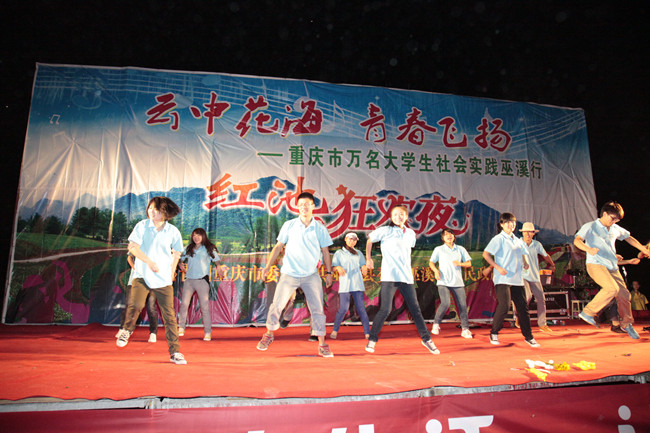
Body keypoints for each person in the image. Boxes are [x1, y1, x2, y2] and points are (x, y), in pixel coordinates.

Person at [256, 192, 334, 358]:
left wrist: (328, 272)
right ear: (297, 207)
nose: (304, 207)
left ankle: (322, 344)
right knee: (277, 305)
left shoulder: (319, 228)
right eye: (301, 204)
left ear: (313, 206)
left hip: (311, 275)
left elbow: (325, 251)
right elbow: (278, 247)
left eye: (307, 204)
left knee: (317, 309)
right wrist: (267, 266)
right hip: (289, 273)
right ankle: (269, 334)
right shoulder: (289, 225)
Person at [117, 196, 187, 365]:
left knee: (169, 316)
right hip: (142, 274)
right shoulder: (142, 226)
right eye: (150, 208)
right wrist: (148, 262)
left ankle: (175, 352)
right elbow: (133, 247)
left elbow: (177, 253)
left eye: (156, 210)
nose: (152, 212)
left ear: (165, 213)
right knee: (136, 304)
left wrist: (171, 271)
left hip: (163, 279)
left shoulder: (173, 231)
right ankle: (127, 329)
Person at [364, 204, 439, 354]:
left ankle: (426, 339)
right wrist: (368, 258)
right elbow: (369, 240)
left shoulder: (410, 233)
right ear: (391, 217)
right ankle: (372, 340)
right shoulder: (386, 230)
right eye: (395, 214)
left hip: (406, 277)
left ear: (406, 216)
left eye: (401, 214)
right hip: (389, 276)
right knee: (385, 309)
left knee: (415, 309)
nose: (398, 217)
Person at [574, 201, 650, 339]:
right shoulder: (590, 226)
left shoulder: (614, 228)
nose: (614, 222)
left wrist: (643, 249)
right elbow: (577, 240)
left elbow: (628, 238)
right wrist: (588, 249)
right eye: (612, 218)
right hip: (596, 264)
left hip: (612, 267)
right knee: (611, 289)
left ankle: (626, 324)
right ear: (604, 214)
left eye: (617, 220)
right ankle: (588, 312)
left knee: (624, 295)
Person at [482, 212, 540, 347]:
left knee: (523, 308)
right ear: (502, 224)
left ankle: (529, 337)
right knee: (504, 305)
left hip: (517, 279)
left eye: (513, 222)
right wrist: (497, 267)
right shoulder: (499, 239)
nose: (511, 225)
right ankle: (494, 333)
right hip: (502, 279)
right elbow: (486, 254)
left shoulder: (517, 240)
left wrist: (525, 262)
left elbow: (523, 253)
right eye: (508, 222)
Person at [177, 228, 224, 341]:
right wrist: (180, 263)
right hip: (189, 280)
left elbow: (216, 260)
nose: (196, 237)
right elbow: (180, 258)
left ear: (203, 236)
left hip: (202, 281)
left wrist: (218, 267)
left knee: (204, 307)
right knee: (184, 304)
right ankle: (181, 327)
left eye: (198, 235)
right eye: (194, 235)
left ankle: (207, 332)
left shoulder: (208, 248)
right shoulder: (189, 248)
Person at [429, 228, 473, 339]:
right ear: (442, 238)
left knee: (462, 305)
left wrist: (460, 264)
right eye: (446, 235)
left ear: (454, 237)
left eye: (451, 234)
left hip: (457, 282)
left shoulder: (460, 249)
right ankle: (436, 324)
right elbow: (431, 263)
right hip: (443, 281)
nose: (449, 236)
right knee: (445, 303)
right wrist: (436, 271)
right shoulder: (439, 249)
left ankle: (465, 329)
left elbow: (468, 263)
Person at [330, 232, 370, 340]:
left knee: (361, 309)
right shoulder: (339, 253)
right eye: (350, 239)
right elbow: (333, 267)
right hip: (345, 285)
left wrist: (364, 267)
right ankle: (335, 330)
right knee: (343, 308)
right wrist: (337, 267)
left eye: (354, 240)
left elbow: (363, 265)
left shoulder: (359, 253)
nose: (352, 241)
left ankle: (367, 332)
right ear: (345, 239)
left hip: (357, 284)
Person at [519, 222, 556, 333]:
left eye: (530, 232)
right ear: (522, 233)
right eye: (525, 232)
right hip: (522, 275)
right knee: (527, 296)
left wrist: (552, 264)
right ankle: (519, 317)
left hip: (534, 276)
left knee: (541, 299)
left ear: (533, 233)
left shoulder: (537, 244)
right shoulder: (517, 243)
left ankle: (542, 324)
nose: (527, 234)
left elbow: (545, 255)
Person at [116, 253, 159, 343]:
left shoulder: (158, 248)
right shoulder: (137, 246)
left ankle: (153, 332)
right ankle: (123, 329)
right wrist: (135, 267)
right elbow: (130, 257)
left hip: (152, 283)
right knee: (129, 304)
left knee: (151, 307)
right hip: (135, 281)